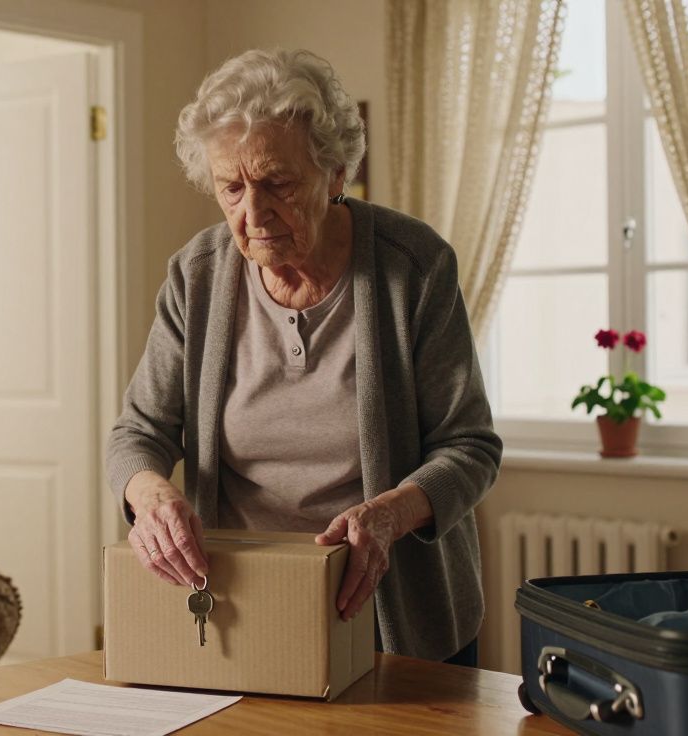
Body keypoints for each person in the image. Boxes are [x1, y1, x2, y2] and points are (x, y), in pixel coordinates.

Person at [106, 49, 501, 667]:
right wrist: (151, 498)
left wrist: (388, 516)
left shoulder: (413, 266)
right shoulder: (197, 275)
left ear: (337, 172)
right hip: (249, 607)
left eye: (277, 184)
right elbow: (138, 433)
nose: (252, 214)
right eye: (230, 188)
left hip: (397, 615)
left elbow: (471, 447)